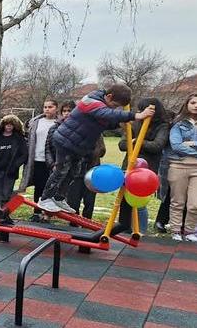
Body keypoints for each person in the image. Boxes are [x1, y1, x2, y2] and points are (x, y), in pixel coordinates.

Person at [38, 84, 155, 213]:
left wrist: (119, 123)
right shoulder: (91, 100)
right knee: (61, 170)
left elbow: (104, 122)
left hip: (78, 146)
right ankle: (45, 199)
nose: (115, 108)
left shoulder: (103, 106)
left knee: (73, 172)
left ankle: (58, 198)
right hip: (66, 141)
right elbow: (105, 113)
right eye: (115, 105)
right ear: (109, 96)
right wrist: (136, 116)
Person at [115, 98, 168, 234]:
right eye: (140, 110)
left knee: (139, 202)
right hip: (130, 166)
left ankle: (141, 232)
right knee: (124, 200)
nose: (141, 112)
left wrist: (137, 142)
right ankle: (124, 228)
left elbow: (157, 146)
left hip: (146, 170)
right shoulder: (134, 124)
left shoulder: (162, 126)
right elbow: (122, 145)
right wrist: (134, 142)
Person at [20, 99, 59, 222]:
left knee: (49, 187)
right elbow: (28, 139)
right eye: (45, 107)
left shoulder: (60, 123)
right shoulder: (36, 122)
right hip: (36, 158)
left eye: (50, 107)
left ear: (56, 108)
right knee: (38, 186)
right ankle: (37, 212)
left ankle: (47, 213)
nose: (47, 109)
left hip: (52, 160)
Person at [167, 93, 197, 242]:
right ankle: (176, 230)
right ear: (187, 104)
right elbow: (177, 146)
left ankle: (190, 231)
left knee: (194, 204)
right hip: (178, 165)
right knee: (177, 201)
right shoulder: (178, 124)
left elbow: (183, 145)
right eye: (193, 102)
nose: (196, 105)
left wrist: (190, 143)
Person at [0, 115, 27, 225]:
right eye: (6, 124)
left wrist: (16, 165)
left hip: (10, 170)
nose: (8, 127)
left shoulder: (18, 138)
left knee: (6, 193)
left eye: (11, 125)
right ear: (3, 125)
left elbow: (24, 154)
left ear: (15, 126)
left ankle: (5, 215)